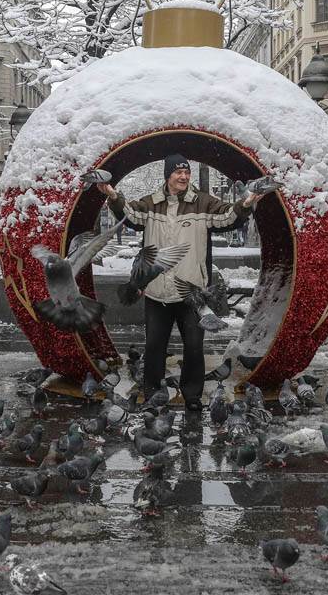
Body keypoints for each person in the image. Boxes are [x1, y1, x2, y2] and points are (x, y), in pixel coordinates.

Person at [99, 154, 258, 412]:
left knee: (194, 347)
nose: (183, 176)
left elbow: (228, 217)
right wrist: (113, 196)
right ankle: (152, 393)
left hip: (191, 292)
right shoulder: (151, 204)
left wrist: (247, 202)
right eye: (178, 172)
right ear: (167, 175)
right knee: (154, 347)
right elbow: (129, 215)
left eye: (186, 172)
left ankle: (192, 396)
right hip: (157, 291)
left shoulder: (203, 203)